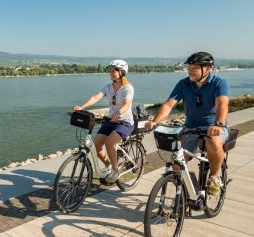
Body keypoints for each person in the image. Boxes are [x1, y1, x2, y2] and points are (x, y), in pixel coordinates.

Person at [144, 51, 230, 196]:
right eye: (189, 68)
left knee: (213, 142)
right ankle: (191, 192)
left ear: (208, 68)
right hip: (190, 128)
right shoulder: (183, 84)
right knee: (177, 162)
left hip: (214, 127)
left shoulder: (219, 83)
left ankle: (215, 177)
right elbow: (169, 105)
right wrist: (154, 121)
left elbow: (222, 105)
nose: (190, 71)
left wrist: (219, 124)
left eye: (194, 68)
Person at [74, 60, 135, 183]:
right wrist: (82, 107)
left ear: (122, 73)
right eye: (110, 71)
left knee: (109, 143)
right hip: (110, 120)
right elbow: (96, 97)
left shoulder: (128, 88)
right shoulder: (108, 87)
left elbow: (127, 104)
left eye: (114, 71)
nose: (111, 73)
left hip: (125, 122)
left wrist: (118, 113)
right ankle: (108, 165)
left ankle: (115, 170)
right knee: (95, 147)